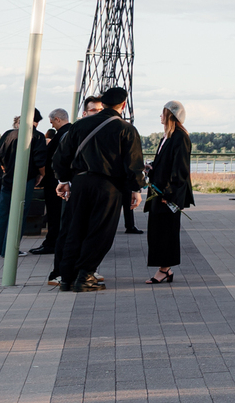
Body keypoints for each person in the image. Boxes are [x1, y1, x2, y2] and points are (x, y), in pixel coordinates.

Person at [50, 86, 143, 293]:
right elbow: (133, 164)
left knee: (75, 229)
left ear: (104, 104)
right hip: (109, 186)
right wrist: (136, 189)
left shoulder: (80, 125)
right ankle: (85, 275)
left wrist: (63, 180)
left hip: (80, 183)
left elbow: (61, 156)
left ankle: (67, 277)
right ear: (123, 105)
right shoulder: (126, 129)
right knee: (100, 231)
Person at [145, 101, 194, 283]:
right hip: (158, 192)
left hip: (167, 195)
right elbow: (165, 164)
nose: (160, 116)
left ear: (170, 115)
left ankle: (164, 269)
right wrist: (151, 168)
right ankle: (165, 269)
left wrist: (169, 194)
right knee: (157, 231)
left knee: (166, 232)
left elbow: (180, 169)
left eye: (163, 113)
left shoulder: (180, 137)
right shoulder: (167, 137)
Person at [0, 110, 48, 255]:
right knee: (19, 214)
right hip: (26, 179)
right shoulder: (38, 136)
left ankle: (0, 248)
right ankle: (11, 250)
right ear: (36, 121)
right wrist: (42, 175)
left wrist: (6, 170)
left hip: (7, 179)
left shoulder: (9, 134)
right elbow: (40, 160)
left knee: (3, 214)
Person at [29, 108, 71, 256]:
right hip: (63, 180)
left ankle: (52, 244)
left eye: (52, 122)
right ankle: (56, 242)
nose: (52, 125)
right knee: (59, 215)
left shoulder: (63, 134)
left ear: (58, 119)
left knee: (54, 214)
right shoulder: (71, 132)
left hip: (56, 182)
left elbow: (56, 158)